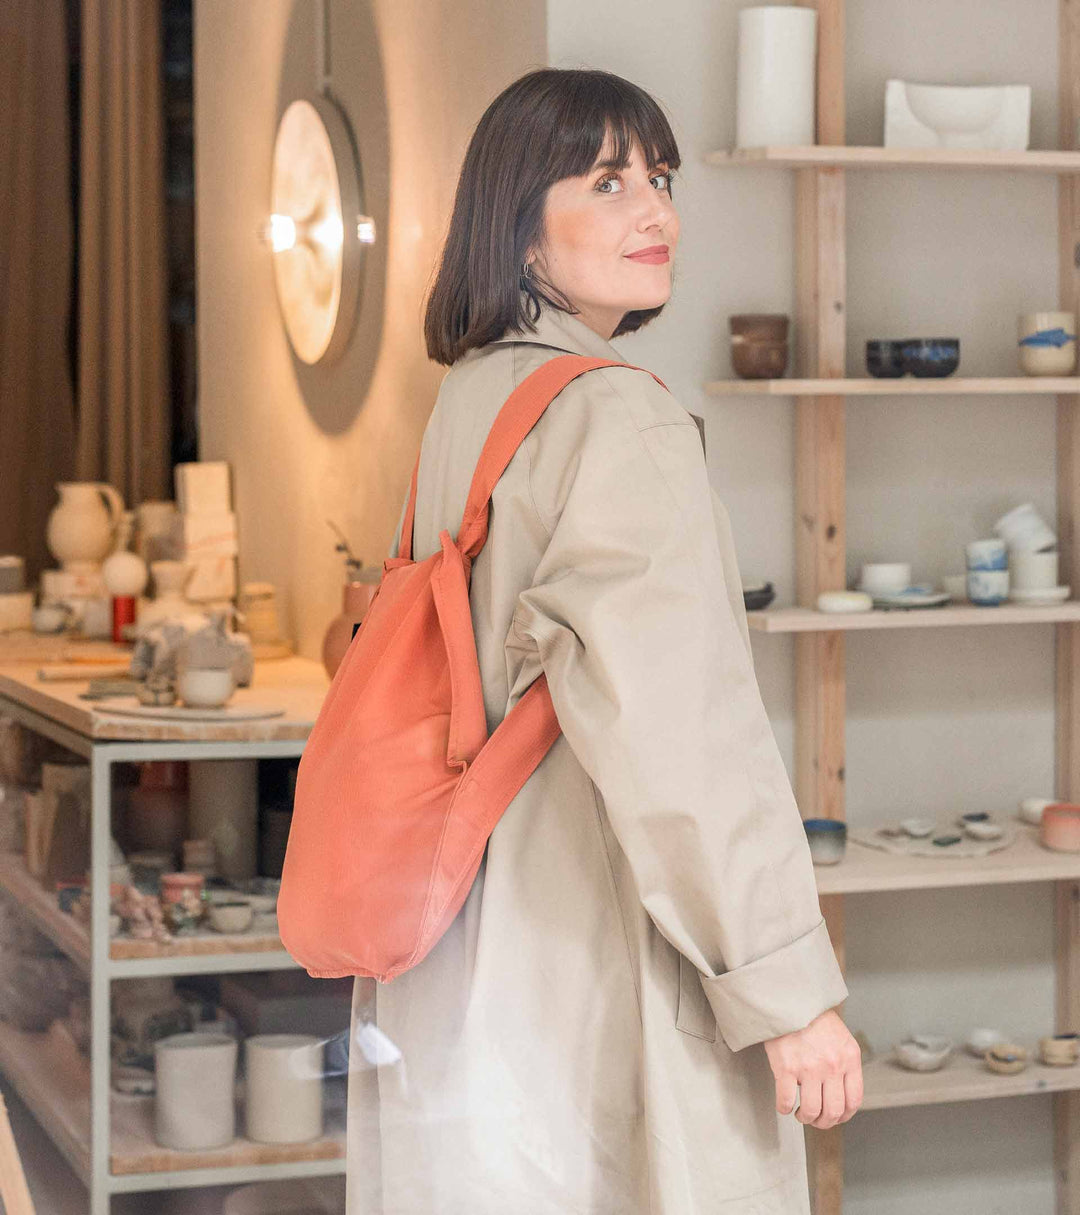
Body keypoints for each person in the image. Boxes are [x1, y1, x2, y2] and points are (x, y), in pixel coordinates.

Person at [345, 67, 862, 1215]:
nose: (659, 214)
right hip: (591, 957)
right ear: (521, 226)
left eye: (662, 180)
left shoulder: (472, 402)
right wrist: (786, 993)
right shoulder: (612, 414)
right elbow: (680, 735)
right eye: (610, 180)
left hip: (453, 947)